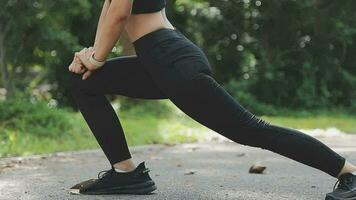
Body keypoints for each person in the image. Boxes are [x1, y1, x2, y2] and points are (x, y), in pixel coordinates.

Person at [68, 0, 356, 199]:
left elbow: (119, 12)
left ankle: (348, 172)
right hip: (159, 59)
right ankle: (126, 173)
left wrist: (95, 58)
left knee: (251, 130)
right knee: (86, 82)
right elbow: (110, 10)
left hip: (171, 62)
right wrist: (91, 56)